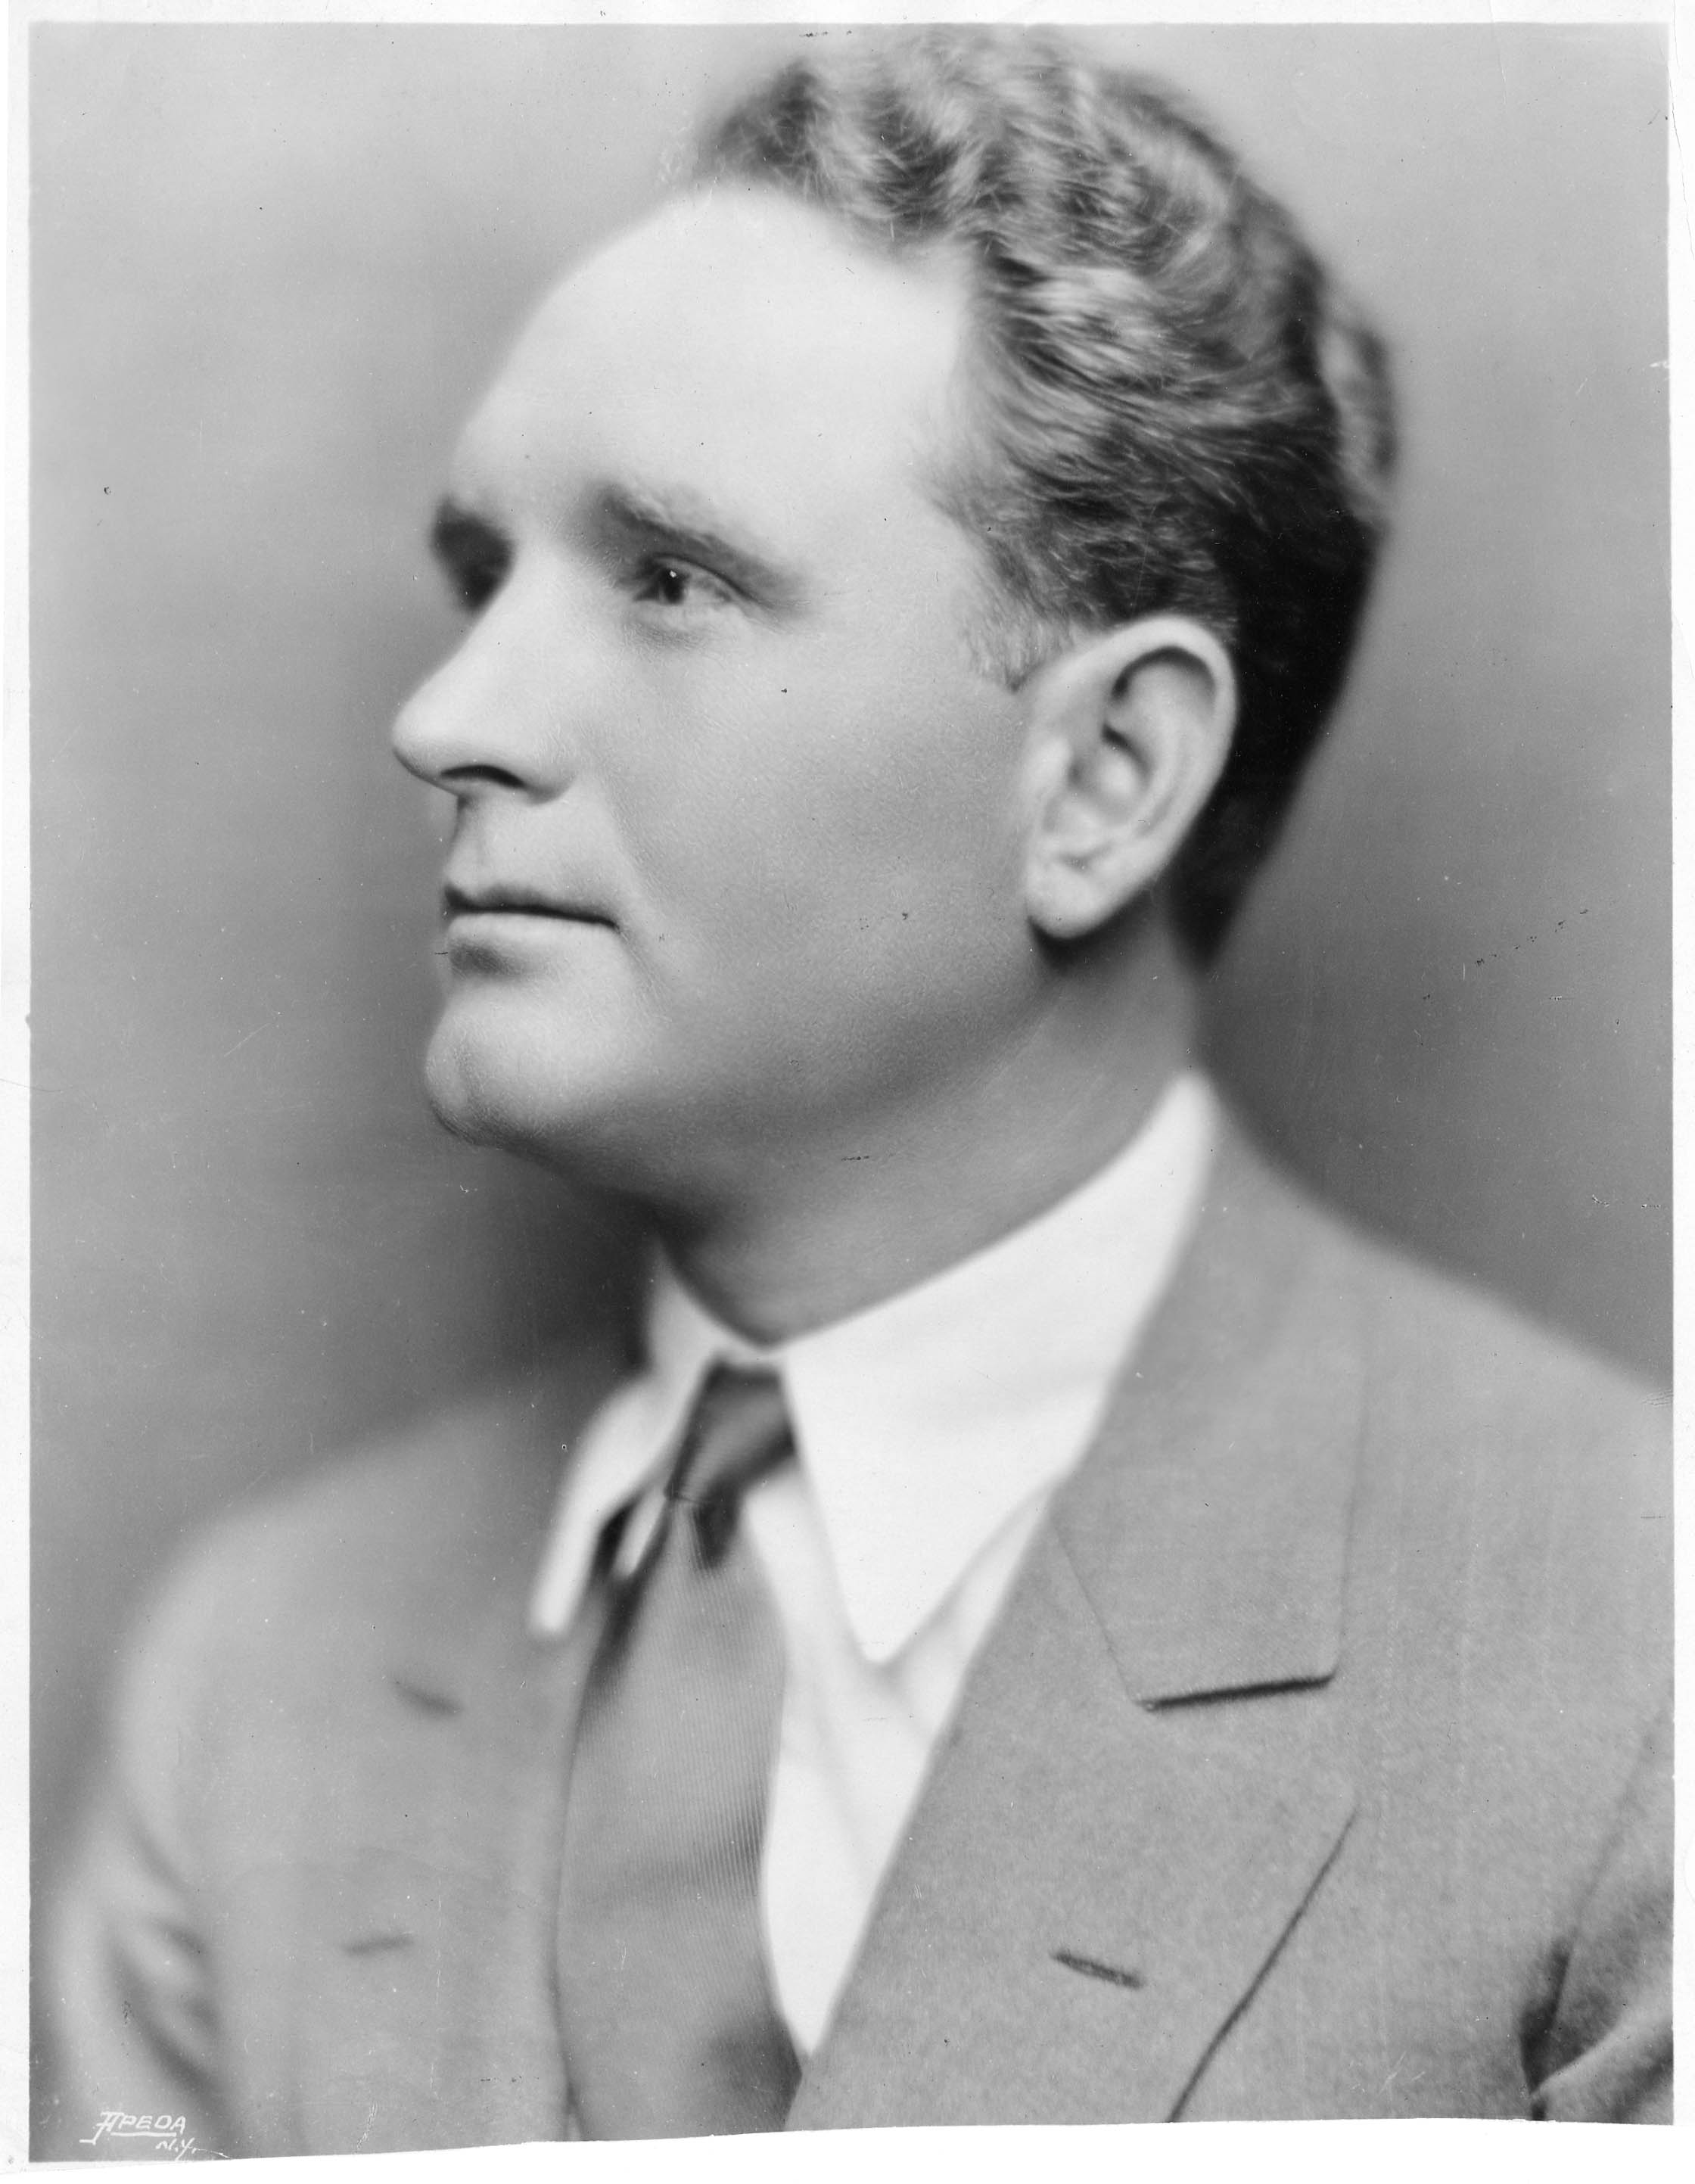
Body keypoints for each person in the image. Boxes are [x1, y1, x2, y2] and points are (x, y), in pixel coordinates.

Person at [42, 27, 1670, 2151]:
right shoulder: (255, 1687)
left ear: (1103, 780)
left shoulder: (1637, 1654)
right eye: (484, 576)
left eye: (671, 579)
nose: (448, 717)